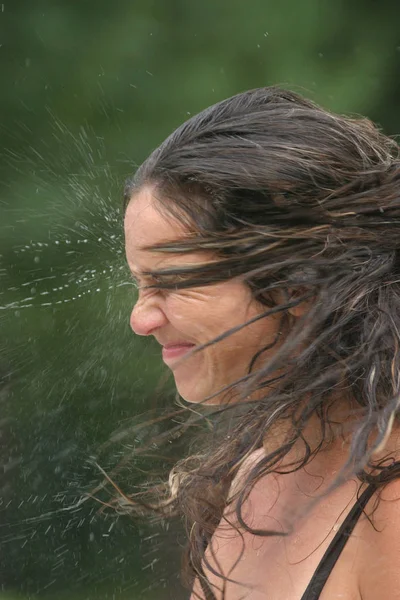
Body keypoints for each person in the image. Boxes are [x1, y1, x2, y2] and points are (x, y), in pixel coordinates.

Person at [123, 86, 400, 599]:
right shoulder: (248, 476)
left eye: (173, 282)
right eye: (139, 284)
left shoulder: (391, 505)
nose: (140, 319)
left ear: (299, 278)